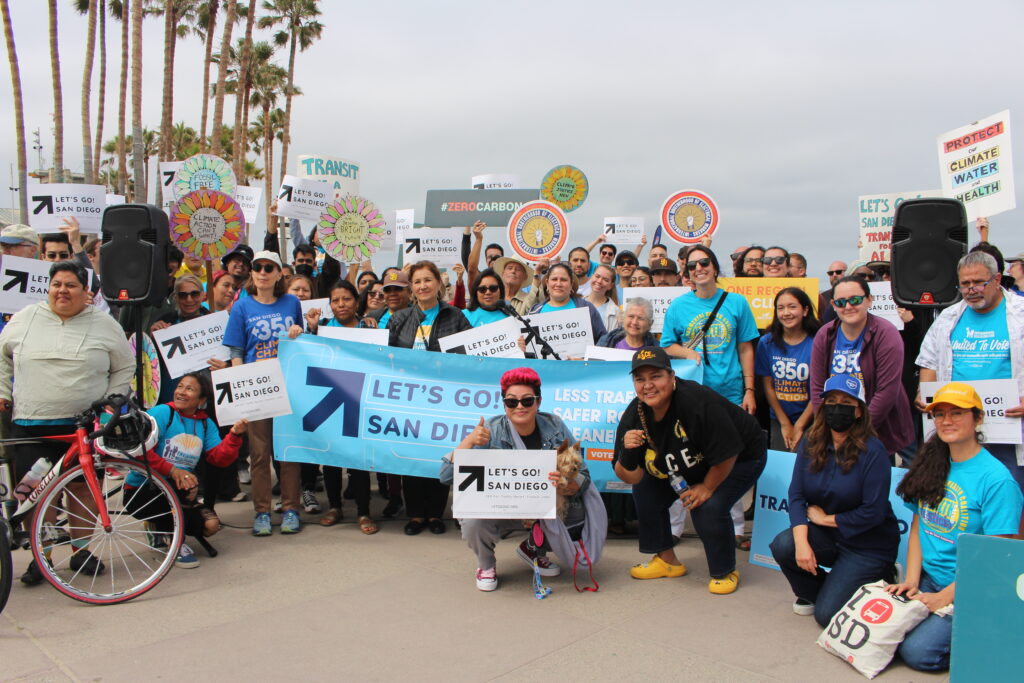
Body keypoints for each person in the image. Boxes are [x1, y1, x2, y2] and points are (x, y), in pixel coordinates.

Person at [0, 260, 134, 584]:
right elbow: (2, 356)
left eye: (70, 285)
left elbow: (124, 366)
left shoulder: (104, 324)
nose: (62, 291)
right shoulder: (24, 319)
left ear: (85, 291)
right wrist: (3, 391)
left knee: (83, 490)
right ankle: (41, 557)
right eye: (56, 284)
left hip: (82, 427)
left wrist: (110, 403)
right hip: (31, 424)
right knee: (33, 494)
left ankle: (81, 551)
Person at [889, 382, 1023, 672]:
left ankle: (988, 636)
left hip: (971, 586)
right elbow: (918, 526)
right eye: (940, 414)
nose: (947, 421)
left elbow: (992, 558)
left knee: (917, 653)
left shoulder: (997, 480)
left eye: (957, 413)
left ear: (977, 418)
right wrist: (912, 580)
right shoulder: (932, 460)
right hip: (928, 578)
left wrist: (944, 597)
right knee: (884, 628)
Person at [614, 347, 767, 594]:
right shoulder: (635, 413)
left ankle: (725, 570)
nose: (648, 385)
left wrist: (707, 487)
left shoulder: (696, 401)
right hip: (695, 462)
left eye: (656, 376)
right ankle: (666, 561)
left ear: (672, 377)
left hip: (742, 457)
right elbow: (630, 476)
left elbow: (728, 452)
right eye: (640, 379)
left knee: (707, 505)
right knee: (645, 490)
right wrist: (626, 452)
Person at [440, 367, 606, 591]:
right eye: (512, 402)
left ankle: (532, 548)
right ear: (504, 404)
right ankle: (486, 564)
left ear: (538, 402)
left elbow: (583, 474)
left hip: (542, 508)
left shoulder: (555, 426)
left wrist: (569, 485)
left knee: (578, 509)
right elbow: (446, 476)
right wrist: (468, 442)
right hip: (501, 507)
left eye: (527, 401)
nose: (519, 407)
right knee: (471, 518)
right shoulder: (490, 429)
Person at [769, 374, 900, 626]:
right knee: (784, 545)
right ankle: (826, 589)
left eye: (846, 403)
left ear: (859, 412)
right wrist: (802, 543)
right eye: (831, 401)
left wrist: (824, 519)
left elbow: (872, 512)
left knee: (826, 616)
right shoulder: (811, 440)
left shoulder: (874, 451)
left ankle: (881, 576)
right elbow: (796, 494)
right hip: (831, 538)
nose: (837, 408)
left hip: (867, 545)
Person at [916, 251, 1024, 490]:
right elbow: (929, 361)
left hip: (1009, 428)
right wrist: (924, 393)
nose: (971, 289)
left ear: (997, 279)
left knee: (1011, 493)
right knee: (964, 491)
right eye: (965, 284)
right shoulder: (949, 317)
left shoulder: (1020, 313)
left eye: (978, 282)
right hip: (959, 428)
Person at [123, 372, 248, 568]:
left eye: (189, 389)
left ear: (202, 400)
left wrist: (234, 436)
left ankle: (159, 526)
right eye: (180, 386)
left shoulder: (206, 424)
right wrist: (173, 471)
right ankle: (171, 541)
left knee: (211, 526)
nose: (181, 392)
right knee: (182, 485)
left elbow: (218, 458)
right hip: (143, 490)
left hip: (182, 491)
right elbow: (140, 452)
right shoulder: (162, 413)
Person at [387, 260, 472, 535]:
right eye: (417, 281)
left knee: (439, 454)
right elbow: (384, 359)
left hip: (443, 400)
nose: (423, 286)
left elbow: (473, 354)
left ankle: (436, 513)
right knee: (411, 454)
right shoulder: (399, 319)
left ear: (438, 283)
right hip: (408, 399)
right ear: (411, 288)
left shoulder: (456, 316)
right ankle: (415, 515)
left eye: (428, 280)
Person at [222, 250, 304, 536]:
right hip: (257, 386)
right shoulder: (242, 307)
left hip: (288, 384)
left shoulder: (292, 302)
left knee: (289, 450)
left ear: (280, 273)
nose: (263, 272)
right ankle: (262, 512)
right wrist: (240, 385)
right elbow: (236, 350)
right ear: (252, 272)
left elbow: (302, 342)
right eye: (258, 267)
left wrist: (297, 331)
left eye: (270, 267)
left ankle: (291, 507)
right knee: (259, 454)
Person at [811, 275, 912, 460]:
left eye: (855, 300)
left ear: (869, 300)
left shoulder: (886, 333)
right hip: (835, 425)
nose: (848, 307)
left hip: (878, 428)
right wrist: (829, 429)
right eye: (841, 302)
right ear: (833, 305)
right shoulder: (824, 335)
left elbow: (886, 392)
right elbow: (817, 388)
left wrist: (856, 434)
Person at [661, 245, 759, 412]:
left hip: (730, 392)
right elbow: (667, 345)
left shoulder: (737, 302)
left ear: (715, 268)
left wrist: (749, 390)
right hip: (692, 391)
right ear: (688, 273)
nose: (698, 268)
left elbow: (745, 349)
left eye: (704, 263)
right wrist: (687, 353)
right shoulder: (677, 306)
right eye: (692, 265)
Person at [756, 287, 819, 451]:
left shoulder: (818, 342)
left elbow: (820, 388)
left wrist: (800, 425)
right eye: (781, 308)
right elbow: (768, 386)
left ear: (805, 310)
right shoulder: (766, 343)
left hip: (812, 418)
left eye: (792, 307)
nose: (786, 313)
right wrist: (784, 423)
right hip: (778, 418)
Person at [527, 262, 607, 343]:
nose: (558, 284)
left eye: (563, 280)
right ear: (547, 283)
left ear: (571, 284)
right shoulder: (534, 311)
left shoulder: (586, 308)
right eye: (554, 279)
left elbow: (604, 341)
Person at [585, 264, 619, 332]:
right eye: (597, 276)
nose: (599, 281)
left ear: (611, 285)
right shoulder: (576, 303)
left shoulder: (616, 312)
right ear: (592, 276)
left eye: (605, 280)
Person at [819, 260, 848, 324]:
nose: (834, 275)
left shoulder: (854, 295)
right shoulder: (822, 297)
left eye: (838, 272)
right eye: (831, 273)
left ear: (847, 273)